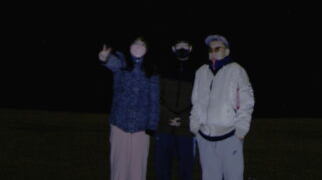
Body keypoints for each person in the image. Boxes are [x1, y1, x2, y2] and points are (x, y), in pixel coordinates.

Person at [190, 35, 255, 180]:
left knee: (234, 177)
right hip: (206, 137)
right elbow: (196, 102)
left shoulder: (237, 70)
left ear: (227, 51)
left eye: (217, 49)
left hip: (230, 136)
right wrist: (195, 128)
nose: (213, 52)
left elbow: (246, 102)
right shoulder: (201, 72)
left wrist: (241, 131)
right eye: (210, 49)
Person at [99, 37, 160, 180]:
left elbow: (154, 100)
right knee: (118, 167)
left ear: (147, 48)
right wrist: (104, 58)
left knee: (138, 169)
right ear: (129, 46)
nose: (138, 47)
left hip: (142, 128)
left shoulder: (152, 70)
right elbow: (111, 62)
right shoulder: (122, 61)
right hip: (119, 124)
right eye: (135, 43)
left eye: (142, 44)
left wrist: (152, 125)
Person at [154, 39, 197, 180]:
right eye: (179, 46)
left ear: (190, 48)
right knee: (162, 167)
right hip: (164, 127)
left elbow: (200, 101)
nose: (182, 48)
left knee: (186, 168)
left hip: (186, 129)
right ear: (173, 48)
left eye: (185, 45)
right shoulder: (163, 69)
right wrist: (167, 117)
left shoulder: (198, 72)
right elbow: (156, 96)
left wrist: (184, 120)